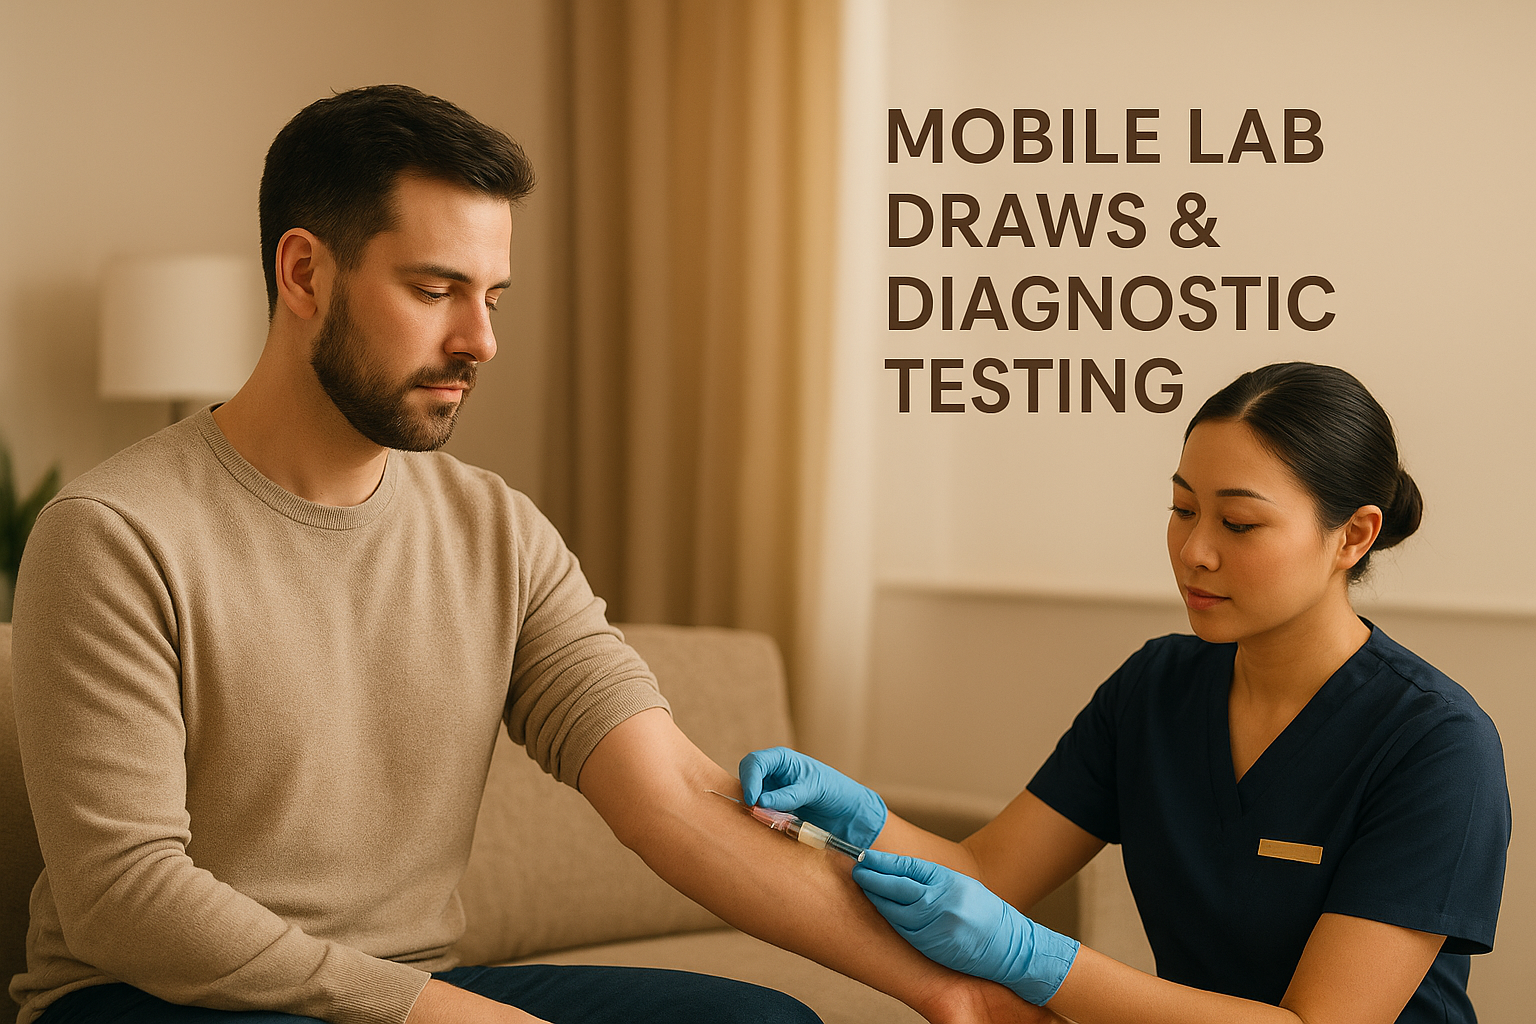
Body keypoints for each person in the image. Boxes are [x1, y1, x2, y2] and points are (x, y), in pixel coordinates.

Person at [8, 85, 1052, 1024]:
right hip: (150, 1000)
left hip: (406, 986)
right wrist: (435, 1014)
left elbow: (677, 799)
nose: (481, 340)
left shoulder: (495, 533)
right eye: (435, 290)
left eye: (492, 297)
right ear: (304, 273)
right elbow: (126, 895)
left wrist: (941, 987)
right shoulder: (113, 533)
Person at [743, 362, 1511, 1024]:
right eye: (1181, 510)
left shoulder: (1436, 746)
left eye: (1239, 524)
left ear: (1353, 536)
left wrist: (1036, 960)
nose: (1194, 552)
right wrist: (856, 817)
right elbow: (987, 870)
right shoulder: (1158, 688)